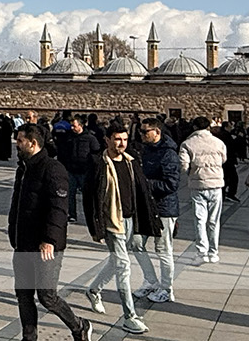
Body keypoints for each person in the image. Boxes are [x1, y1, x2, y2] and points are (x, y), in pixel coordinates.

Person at [9, 122, 92, 341]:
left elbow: (59, 208)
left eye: (20, 141)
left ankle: (79, 326)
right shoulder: (24, 168)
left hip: (45, 246)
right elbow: (17, 203)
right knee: (24, 295)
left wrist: (49, 240)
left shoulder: (52, 168)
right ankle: (29, 337)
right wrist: (12, 231)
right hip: (23, 243)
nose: (16, 144)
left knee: (47, 296)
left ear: (32, 143)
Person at [81, 119, 154, 335]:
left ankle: (94, 290)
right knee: (124, 266)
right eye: (117, 139)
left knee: (116, 261)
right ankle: (129, 316)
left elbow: (141, 190)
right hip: (113, 220)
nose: (121, 143)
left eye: (124, 139)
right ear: (107, 140)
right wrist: (94, 227)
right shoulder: (98, 163)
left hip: (132, 219)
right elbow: (89, 196)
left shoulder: (132, 161)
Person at [136, 120, 179, 303]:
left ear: (157, 132)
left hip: (164, 208)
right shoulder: (146, 150)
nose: (142, 135)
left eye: (146, 132)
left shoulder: (168, 154)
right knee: (135, 243)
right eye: (141, 131)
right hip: (147, 206)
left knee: (163, 249)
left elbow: (171, 184)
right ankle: (151, 281)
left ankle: (167, 288)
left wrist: (147, 184)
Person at [179, 116, 228, 265]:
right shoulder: (218, 142)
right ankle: (214, 252)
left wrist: (191, 172)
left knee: (200, 220)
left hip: (198, 184)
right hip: (216, 184)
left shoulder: (187, 144)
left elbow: (183, 165)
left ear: (194, 127)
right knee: (214, 220)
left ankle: (202, 252)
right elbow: (224, 159)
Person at [57, 117, 100, 223]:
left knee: (88, 195)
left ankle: (92, 215)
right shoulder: (69, 137)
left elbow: (96, 152)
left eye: (74, 126)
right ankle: (72, 214)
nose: (72, 128)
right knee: (70, 194)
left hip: (85, 171)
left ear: (81, 126)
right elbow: (63, 151)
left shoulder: (90, 138)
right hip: (71, 170)